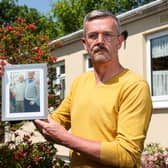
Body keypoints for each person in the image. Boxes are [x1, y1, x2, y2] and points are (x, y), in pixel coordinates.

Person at [0, 10, 152, 168]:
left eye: (107, 35)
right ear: (85, 44)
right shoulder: (80, 82)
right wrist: (21, 82)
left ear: (119, 42)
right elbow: (53, 128)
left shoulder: (134, 86)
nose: (100, 41)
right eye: (93, 36)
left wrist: (66, 139)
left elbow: (127, 156)